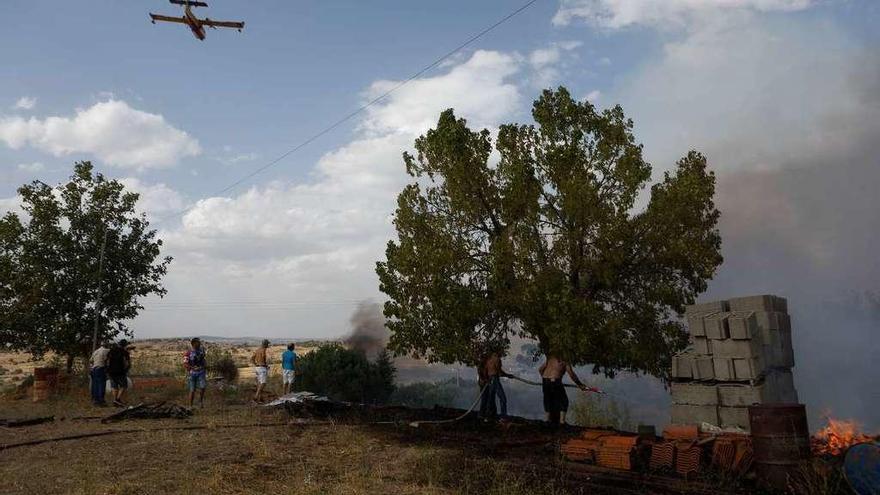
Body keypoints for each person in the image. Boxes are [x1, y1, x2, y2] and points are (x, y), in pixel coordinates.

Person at [539, 354, 589, 425]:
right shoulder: (565, 360)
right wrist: (580, 384)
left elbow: (540, 370)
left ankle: (548, 420)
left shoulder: (551, 358)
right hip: (555, 381)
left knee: (548, 400)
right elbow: (571, 374)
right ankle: (562, 422)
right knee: (563, 401)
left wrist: (547, 379)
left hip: (545, 381)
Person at [478, 350, 509, 420]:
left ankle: (487, 416)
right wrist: (508, 375)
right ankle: (503, 417)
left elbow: (485, 371)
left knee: (490, 399)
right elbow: (499, 372)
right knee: (503, 398)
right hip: (494, 379)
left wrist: (486, 379)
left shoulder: (488, 360)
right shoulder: (497, 359)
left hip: (490, 380)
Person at [107, 339, 132, 407]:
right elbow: (128, 363)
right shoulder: (125, 352)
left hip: (111, 372)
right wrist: (126, 370)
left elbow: (107, 361)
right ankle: (117, 399)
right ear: (125, 345)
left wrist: (108, 370)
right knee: (123, 386)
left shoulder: (111, 351)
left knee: (114, 386)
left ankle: (115, 400)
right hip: (121, 372)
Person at [184, 338, 208, 407]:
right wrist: (191, 368)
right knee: (192, 390)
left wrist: (205, 365)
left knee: (203, 387)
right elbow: (185, 363)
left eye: (199, 342)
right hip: (192, 373)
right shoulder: (188, 353)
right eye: (198, 343)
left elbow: (203, 360)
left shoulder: (202, 351)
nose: (199, 344)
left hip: (201, 372)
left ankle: (200, 401)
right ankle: (190, 406)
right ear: (193, 344)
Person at [89, 341, 111, 406]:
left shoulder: (96, 351)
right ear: (107, 345)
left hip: (94, 369)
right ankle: (101, 400)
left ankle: (95, 399)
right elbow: (107, 360)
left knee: (95, 385)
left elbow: (91, 360)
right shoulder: (106, 350)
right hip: (100, 369)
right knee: (101, 385)